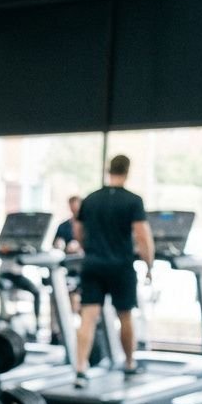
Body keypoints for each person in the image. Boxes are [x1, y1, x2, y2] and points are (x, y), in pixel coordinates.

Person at [73, 155, 154, 387]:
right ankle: (129, 364)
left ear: (109, 170)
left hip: (93, 263)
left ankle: (80, 369)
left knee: (88, 317)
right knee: (125, 316)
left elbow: (78, 229)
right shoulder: (132, 201)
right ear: (127, 171)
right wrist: (149, 265)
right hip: (120, 265)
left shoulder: (90, 199)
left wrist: (87, 247)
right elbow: (142, 236)